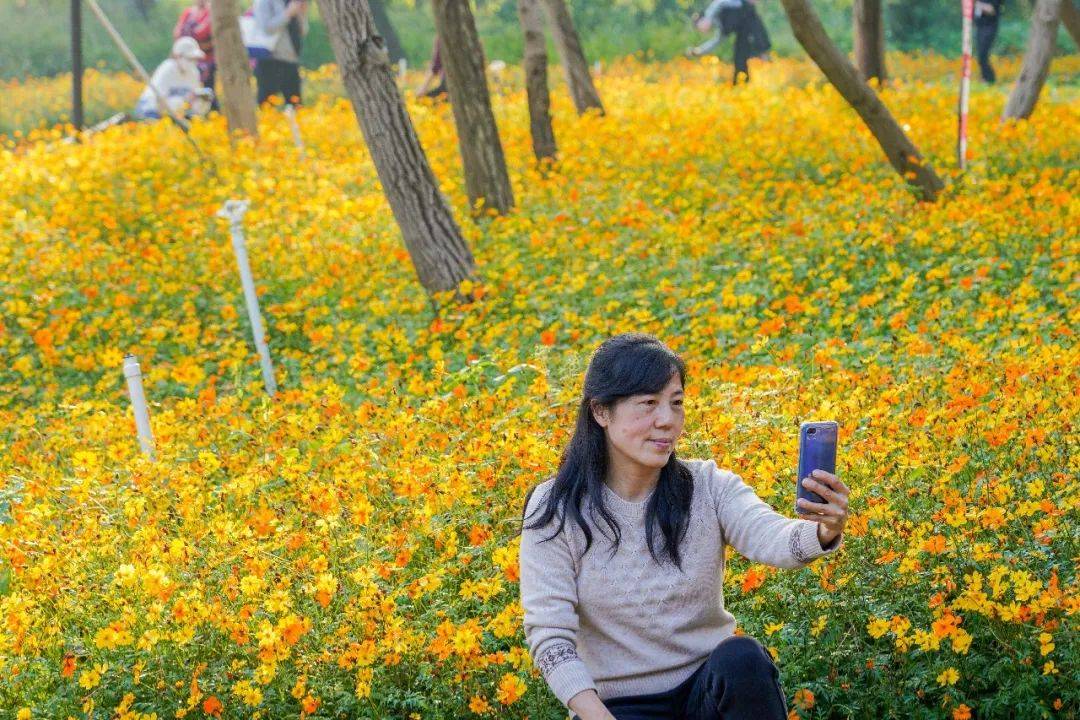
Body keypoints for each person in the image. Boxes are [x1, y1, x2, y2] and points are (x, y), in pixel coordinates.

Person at [519, 333, 848, 720]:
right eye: (648, 404)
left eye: (676, 404)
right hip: (618, 709)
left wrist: (823, 530)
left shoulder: (707, 486)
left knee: (742, 659)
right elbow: (551, 638)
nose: (667, 421)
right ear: (601, 412)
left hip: (705, 694)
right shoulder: (556, 506)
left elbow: (771, 536)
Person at [686, 0, 771, 84]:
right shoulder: (720, 26)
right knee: (739, 56)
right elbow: (716, 41)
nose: (703, 30)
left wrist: (708, 17)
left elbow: (720, 2)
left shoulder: (714, 10)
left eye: (701, 27)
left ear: (702, 20)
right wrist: (699, 50)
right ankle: (741, 82)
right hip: (743, 30)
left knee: (759, 38)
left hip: (746, 12)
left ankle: (763, 53)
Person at [133, 36, 213, 120]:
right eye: (190, 59)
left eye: (195, 59)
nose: (193, 62)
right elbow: (160, 100)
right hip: (150, 110)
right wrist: (183, 103)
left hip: (174, 114)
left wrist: (202, 101)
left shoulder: (194, 72)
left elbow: (193, 104)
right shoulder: (168, 68)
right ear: (178, 56)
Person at [253, 0, 309, 106]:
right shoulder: (263, 2)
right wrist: (287, 14)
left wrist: (302, 13)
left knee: (296, 105)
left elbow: (303, 31)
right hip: (269, 61)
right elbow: (266, 28)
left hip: (291, 60)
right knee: (267, 106)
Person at [173, 0, 217, 110]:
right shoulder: (188, 13)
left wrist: (196, 48)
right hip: (186, 59)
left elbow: (213, 37)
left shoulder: (212, 12)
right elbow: (177, 33)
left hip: (206, 60)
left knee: (207, 91)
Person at [974, 0, 1004, 83]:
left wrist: (976, 4)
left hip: (989, 27)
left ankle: (990, 79)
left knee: (983, 54)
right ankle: (984, 77)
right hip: (979, 27)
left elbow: (991, 10)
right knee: (980, 55)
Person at [416, 34, 448, 100]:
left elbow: (436, 66)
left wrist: (423, 87)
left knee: (424, 101)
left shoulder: (443, 36)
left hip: (448, 87)